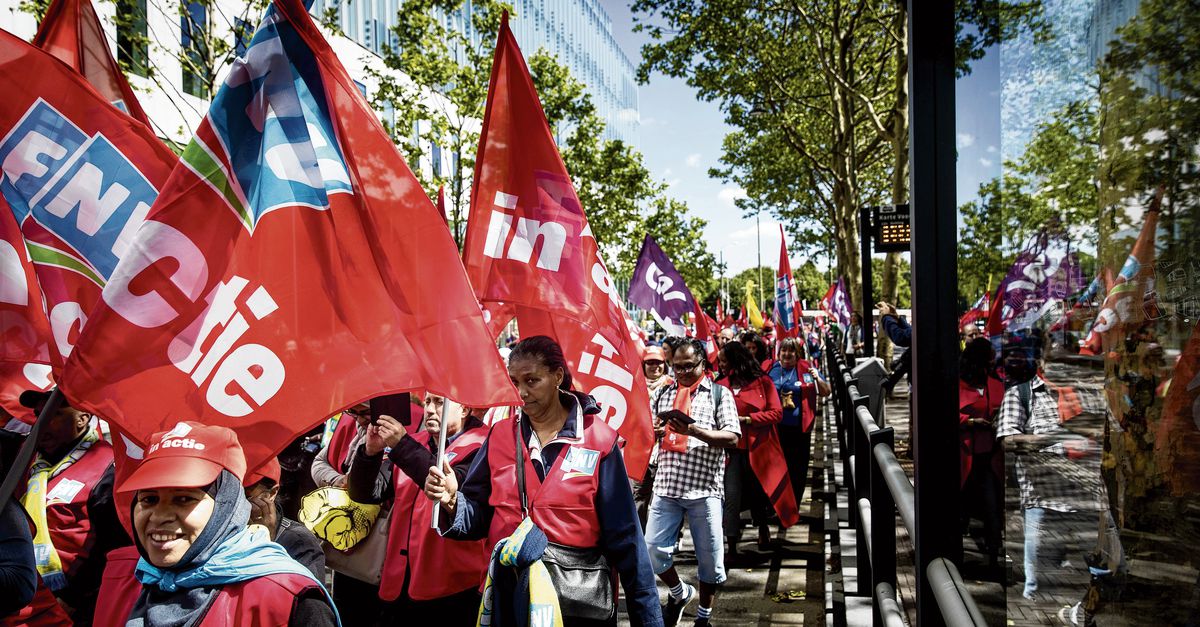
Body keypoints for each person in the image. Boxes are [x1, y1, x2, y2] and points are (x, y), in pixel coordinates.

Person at [425, 336, 662, 626]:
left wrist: (648, 619)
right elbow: (478, 518)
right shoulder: (499, 435)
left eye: (532, 380)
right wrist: (451, 499)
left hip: (577, 603)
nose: (521, 392)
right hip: (508, 598)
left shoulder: (599, 440)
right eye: (514, 381)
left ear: (557, 376)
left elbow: (627, 539)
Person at [94, 421, 337, 626]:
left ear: (228, 503)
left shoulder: (288, 597)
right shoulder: (121, 573)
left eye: (184, 499)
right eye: (149, 499)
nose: (159, 516)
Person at [346, 394, 489, 623]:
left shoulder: (483, 445)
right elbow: (367, 493)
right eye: (427, 402)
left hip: (450, 587)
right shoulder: (417, 441)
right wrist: (370, 453)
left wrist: (402, 444)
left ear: (464, 409)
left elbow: (447, 484)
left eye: (440, 403)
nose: (430, 410)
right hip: (399, 579)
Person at [5, 390, 129, 626]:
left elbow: (111, 547)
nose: (41, 423)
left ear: (82, 418)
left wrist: (72, 600)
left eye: (53, 415)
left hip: (70, 607)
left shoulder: (107, 468)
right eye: (38, 414)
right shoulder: (22, 455)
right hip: (21, 598)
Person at [996, 330, 1101, 604]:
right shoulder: (1020, 395)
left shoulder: (1087, 395)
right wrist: (1058, 434)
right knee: (1038, 584)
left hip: (1086, 501)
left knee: (1106, 576)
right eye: (1057, 359)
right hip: (1043, 500)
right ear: (1042, 360)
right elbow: (1009, 442)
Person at [644, 337, 740, 627]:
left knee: (709, 559)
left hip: (705, 488)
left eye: (688, 367)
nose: (682, 373)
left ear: (703, 364)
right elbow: (650, 429)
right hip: (667, 485)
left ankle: (704, 617)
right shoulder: (663, 394)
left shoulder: (719, 395)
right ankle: (679, 592)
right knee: (651, 551)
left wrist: (694, 430)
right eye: (677, 367)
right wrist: (657, 433)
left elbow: (733, 437)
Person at [716, 342, 799, 555]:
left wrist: (747, 419)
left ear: (736, 360)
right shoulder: (719, 384)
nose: (721, 364)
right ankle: (731, 545)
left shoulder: (763, 382)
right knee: (731, 495)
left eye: (724, 360)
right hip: (730, 450)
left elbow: (776, 413)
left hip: (759, 449)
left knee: (758, 493)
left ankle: (762, 527)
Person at [958, 337, 1005, 568]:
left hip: (988, 455)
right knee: (961, 507)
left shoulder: (994, 382)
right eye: (990, 354)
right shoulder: (958, 383)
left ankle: (993, 555)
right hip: (964, 455)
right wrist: (970, 421)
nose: (994, 358)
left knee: (991, 505)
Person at [767, 337, 831, 510]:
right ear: (779, 353)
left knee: (797, 469)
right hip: (774, 429)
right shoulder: (770, 369)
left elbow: (826, 392)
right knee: (777, 468)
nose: (787, 354)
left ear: (797, 354)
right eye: (784, 351)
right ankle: (777, 505)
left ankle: (792, 505)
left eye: (791, 351)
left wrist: (817, 379)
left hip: (799, 429)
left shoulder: (806, 369)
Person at [243, 457, 325, 579]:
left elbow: (303, 593)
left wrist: (265, 544)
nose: (236, 504)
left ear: (271, 493)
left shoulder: (300, 542)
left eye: (245, 496)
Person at [636, 346, 674, 528]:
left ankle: (674, 534)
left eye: (658, 362)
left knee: (669, 496)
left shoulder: (673, 386)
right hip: (641, 452)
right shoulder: (635, 386)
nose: (654, 367)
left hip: (667, 451)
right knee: (639, 497)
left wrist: (665, 428)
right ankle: (641, 538)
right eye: (650, 362)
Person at [311, 402, 372, 489]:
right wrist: (337, 481)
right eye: (353, 411)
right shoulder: (348, 422)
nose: (360, 420)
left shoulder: (393, 437)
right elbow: (319, 462)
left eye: (367, 412)